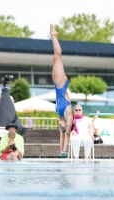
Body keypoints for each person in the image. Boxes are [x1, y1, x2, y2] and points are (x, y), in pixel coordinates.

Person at [50, 24, 73, 157]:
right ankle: (54, 36)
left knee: (55, 60)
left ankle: (54, 36)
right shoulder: (68, 114)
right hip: (61, 85)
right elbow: (67, 135)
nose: (59, 126)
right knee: (56, 58)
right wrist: (65, 150)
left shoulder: (59, 114)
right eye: (61, 127)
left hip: (56, 85)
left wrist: (61, 152)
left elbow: (62, 136)